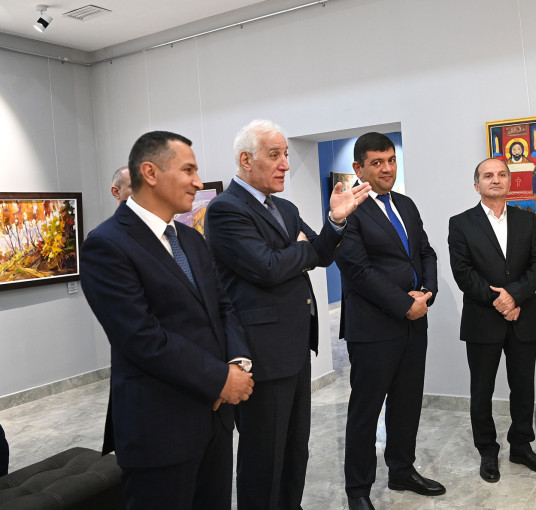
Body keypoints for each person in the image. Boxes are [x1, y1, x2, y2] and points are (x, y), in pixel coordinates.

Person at [80, 131, 254, 510]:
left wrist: (237, 363)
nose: (198, 182)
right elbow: (142, 337)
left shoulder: (190, 239)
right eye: (188, 170)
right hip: (160, 428)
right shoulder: (106, 245)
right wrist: (219, 379)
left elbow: (223, 307)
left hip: (214, 421)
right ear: (150, 173)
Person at [204, 119, 370, 510]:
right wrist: (299, 251)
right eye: (275, 154)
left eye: (286, 155)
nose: (285, 164)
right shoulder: (226, 209)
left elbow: (322, 253)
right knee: (264, 457)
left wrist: (335, 221)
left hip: (295, 348)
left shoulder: (285, 207)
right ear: (246, 160)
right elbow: (266, 268)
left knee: (295, 449)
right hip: (261, 352)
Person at [336, 132, 444, 510]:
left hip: (414, 324)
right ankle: (358, 490)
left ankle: (401, 470)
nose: (386, 169)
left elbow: (426, 252)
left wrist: (427, 293)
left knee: (407, 403)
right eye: (377, 162)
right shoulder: (349, 210)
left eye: (391, 160)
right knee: (366, 412)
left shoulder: (405, 204)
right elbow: (357, 271)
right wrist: (403, 304)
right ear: (358, 167)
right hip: (373, 329)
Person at [447, 157, 536, 483]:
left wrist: (514, 297)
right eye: (488, 175)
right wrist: (500, 301)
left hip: (522, 318)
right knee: (482, 390)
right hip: (482, 321)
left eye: (502, 174)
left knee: (523, 388)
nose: (496, 179)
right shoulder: (460, 223)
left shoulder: (526, 219)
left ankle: (521, 446)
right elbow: (463, 273)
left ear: (509, 181)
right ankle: (487, 451)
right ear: (476, 185)